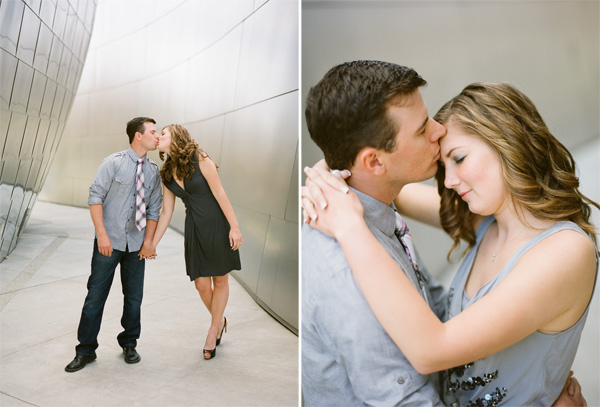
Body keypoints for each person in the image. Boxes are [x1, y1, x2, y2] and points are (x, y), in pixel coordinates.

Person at [302, 81, 598, 406]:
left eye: (459, 158)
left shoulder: (566, 252)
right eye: (444, 166)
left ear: (507, 140)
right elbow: (380, 183)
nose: (449, 181)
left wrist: (349, 226)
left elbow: (431, 350)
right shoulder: (489, 223)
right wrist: (328, 171)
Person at [65, 117, 162, 372]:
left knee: (134, 298)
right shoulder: (113, 163)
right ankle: (85, 351)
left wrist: (149, 242)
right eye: (153, 132)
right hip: (109, 243)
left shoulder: (153, 171)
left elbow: (154, 210)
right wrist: (102, 236)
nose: (157, 136)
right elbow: (95, 197)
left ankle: (129, 343)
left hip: (137, 246)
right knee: (95, 297)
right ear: (138, 136)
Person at [152, 124, 242, 360]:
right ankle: (220, 320)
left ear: (177, 137)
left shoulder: (200, 158)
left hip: (216, 224)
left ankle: (213, 331)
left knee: (220, 280)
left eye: (164, 133)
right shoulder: (166, 173)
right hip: (194, 229)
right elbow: (166, 212)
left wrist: (234, 227)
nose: (159, 137)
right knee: (202, 285)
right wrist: (152, 243)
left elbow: (220, 193)